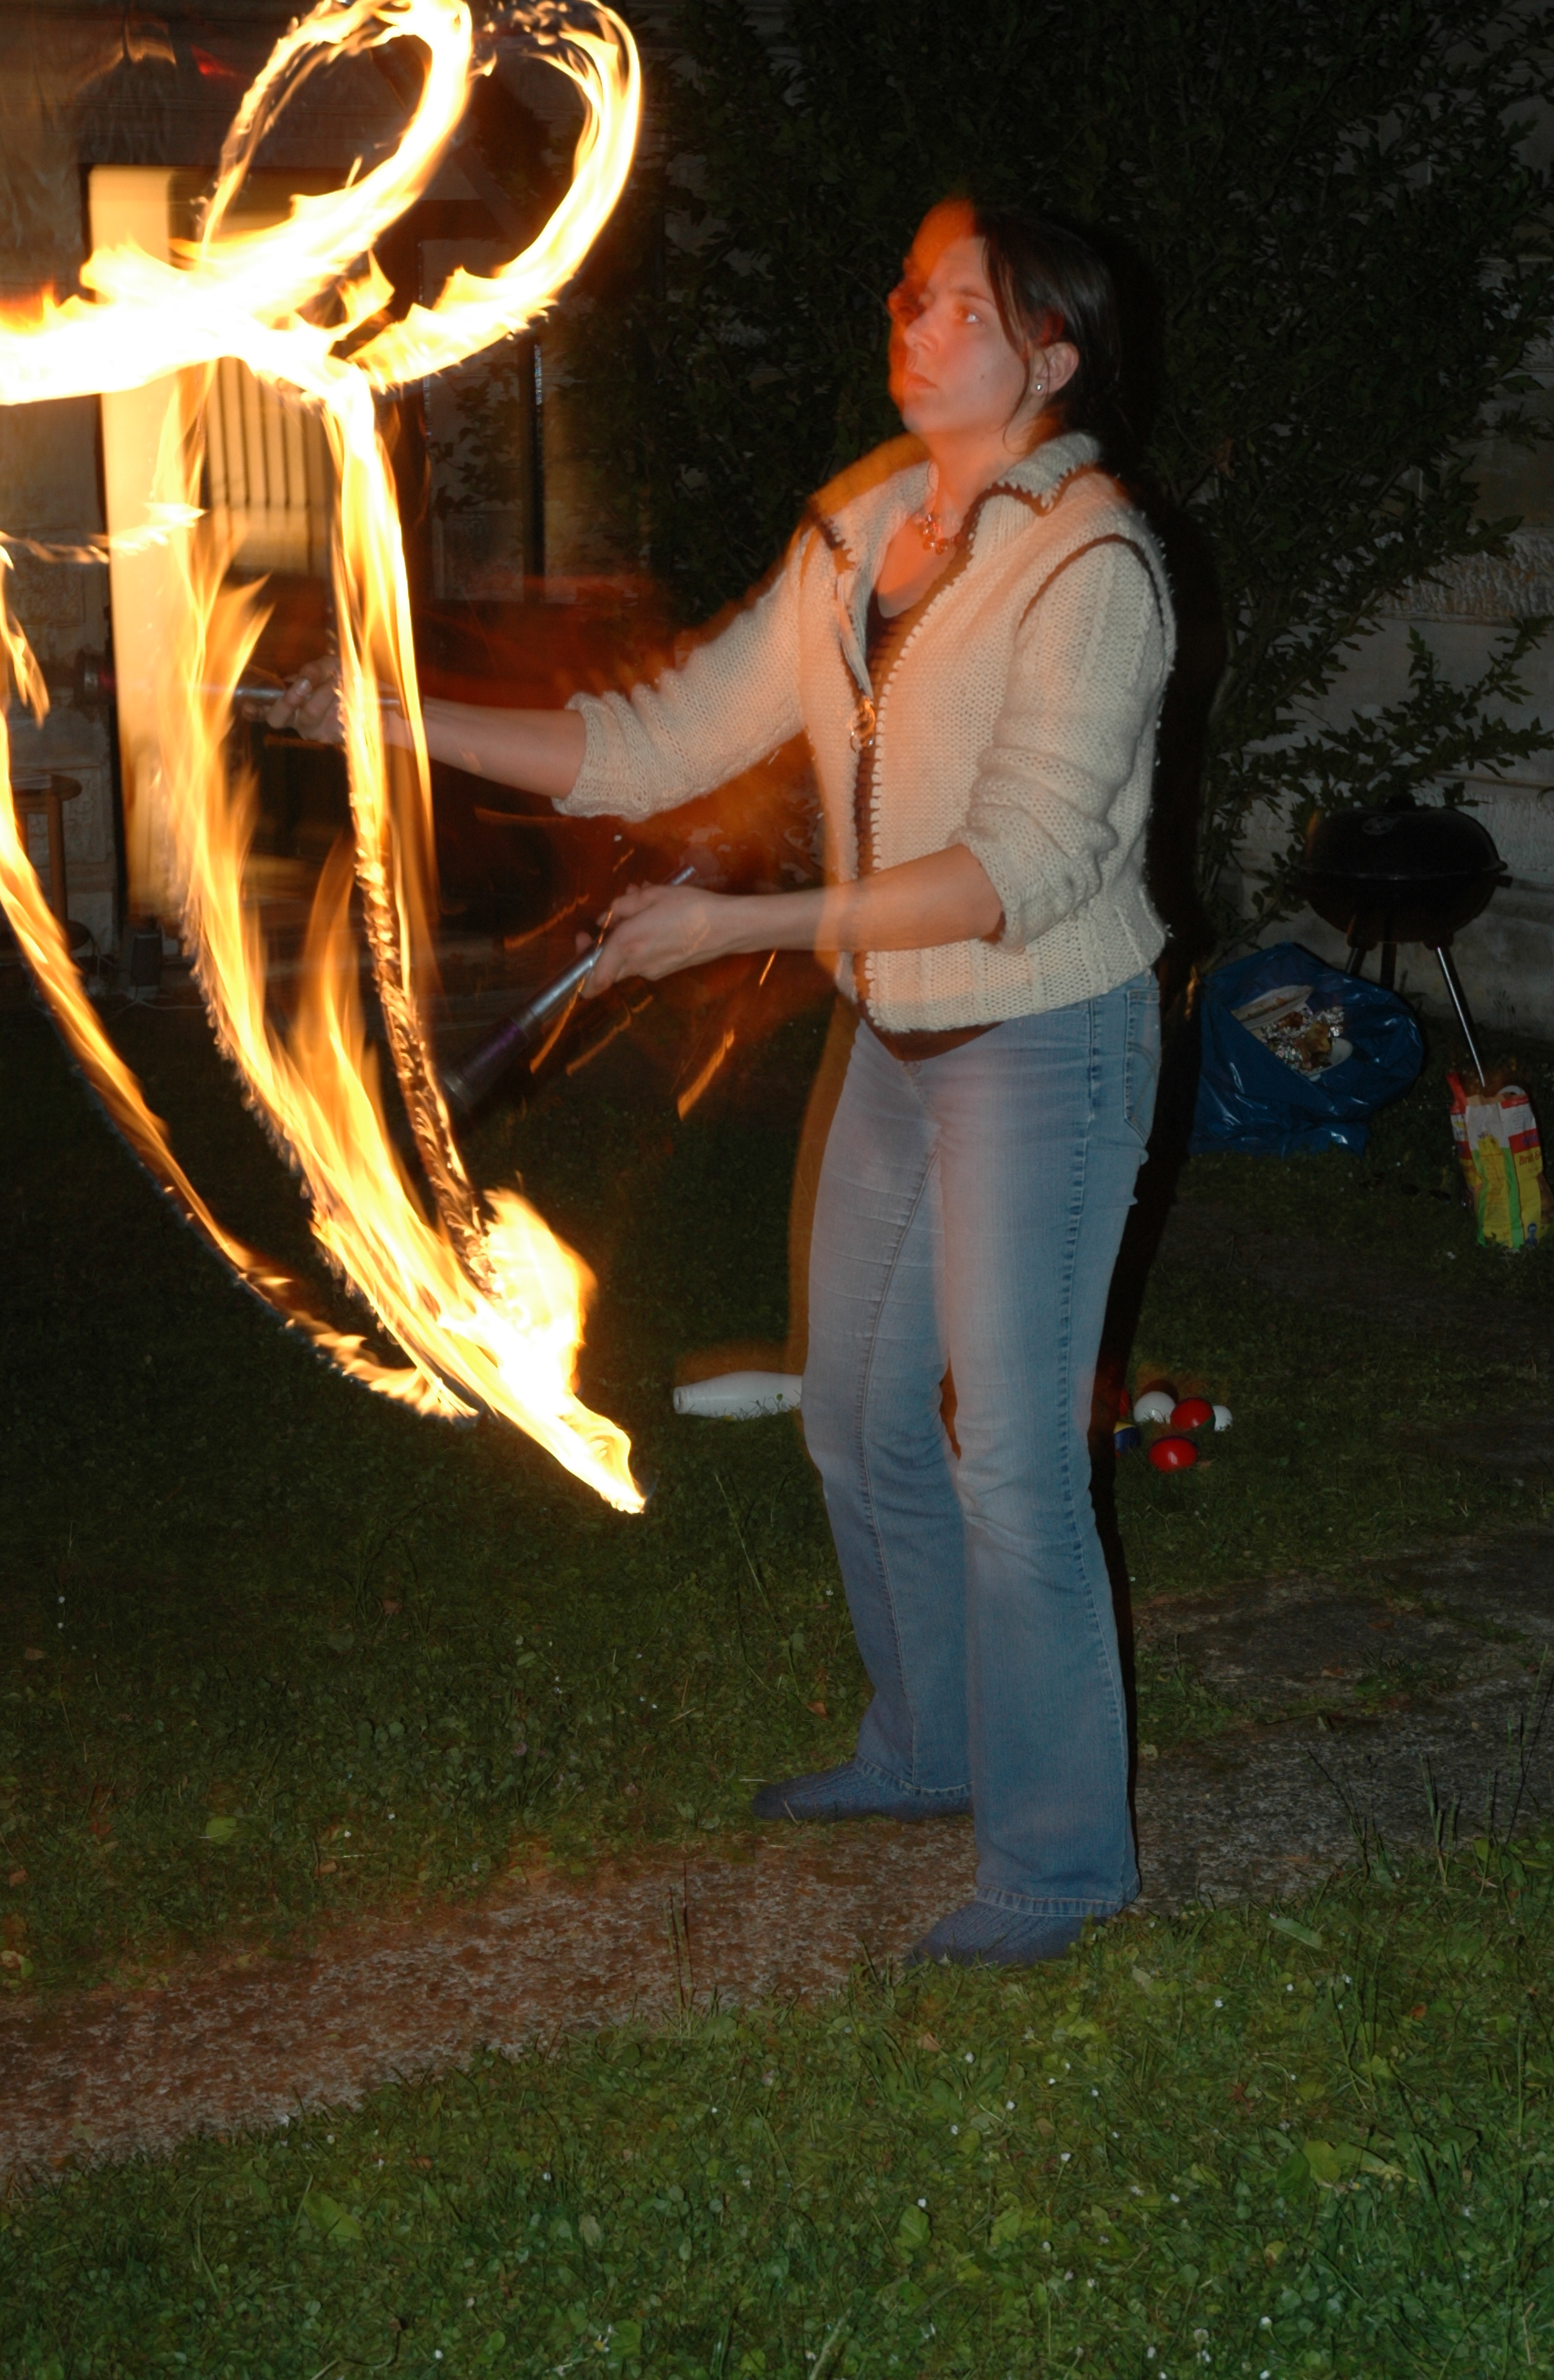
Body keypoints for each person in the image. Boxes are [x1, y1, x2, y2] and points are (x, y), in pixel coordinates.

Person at [275, 196, 1174, 1966]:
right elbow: (650, 743)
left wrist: (735, 925)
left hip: (1043, 1041)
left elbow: (1009, 874)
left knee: (1010, 1464)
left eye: (959, 305)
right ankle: (925, 1747)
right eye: (907, 289)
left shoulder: (1095, 573)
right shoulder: (861, 530)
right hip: (892, 1034)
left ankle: (1063, 1862)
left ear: (1050, 356)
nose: (910, 317)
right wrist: (390, 710)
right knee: (855, 1417)